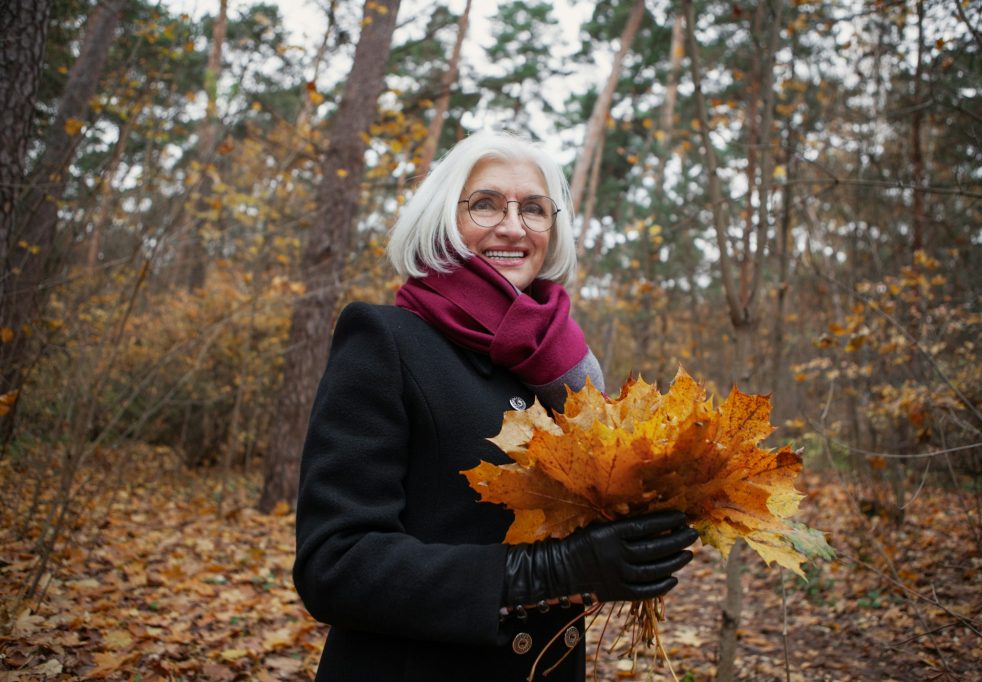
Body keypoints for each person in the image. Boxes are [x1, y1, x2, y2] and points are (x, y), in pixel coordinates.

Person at [293, 130, 700, 681]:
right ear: (441, 219)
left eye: (534, 209)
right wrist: (549, 572)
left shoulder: (570, 370)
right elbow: (334, 565)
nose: (512, 227)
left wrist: (632, 546)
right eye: (484, 204)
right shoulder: (385, 340)